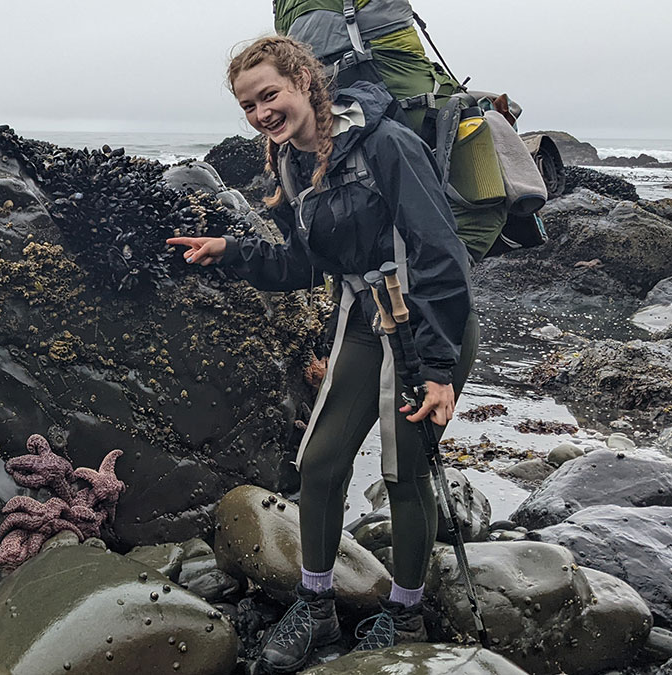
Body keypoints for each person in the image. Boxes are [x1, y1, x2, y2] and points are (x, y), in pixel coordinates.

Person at [167, 36, 478, 673]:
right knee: (320, 462)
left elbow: (444, 254)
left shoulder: (387, 147)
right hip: (362, 321)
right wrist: (231, 251)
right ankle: (317, 604)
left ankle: (406, 609)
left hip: (424, 328)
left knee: (403, 472)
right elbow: (306, 262)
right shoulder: (291, 164)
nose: (260, 114)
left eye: (269, 95)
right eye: (248, 105)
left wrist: (440, 370)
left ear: (306, 82)